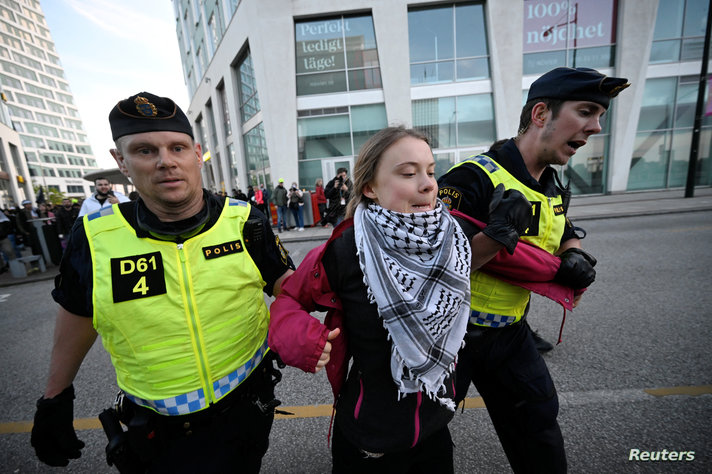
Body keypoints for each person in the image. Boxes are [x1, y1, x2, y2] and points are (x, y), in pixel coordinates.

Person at [30, 91, 295, 473]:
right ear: (120, 161)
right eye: (145, 151)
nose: (166, 162)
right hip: (156, 430)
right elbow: (78, 313)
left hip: (246, 409)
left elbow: (287, 285)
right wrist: (55, 399)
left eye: (177, 148)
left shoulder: (244, 219)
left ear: (197, 153)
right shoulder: (93, 237)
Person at [437, 67, 627, 473]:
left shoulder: (554, 184)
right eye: (587, 111)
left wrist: (574, 253)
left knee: (539, 429)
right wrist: (496, 234)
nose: (595, 127)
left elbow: (563, 230)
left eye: (600, 117)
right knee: (423, 437)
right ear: (541, 114)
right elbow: (433, 267)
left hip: (510, 332)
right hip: (450, 335)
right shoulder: (470, 178)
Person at [269, 127, 472, 473]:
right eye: (409, 173)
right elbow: (287, 302)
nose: (428, 184)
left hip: (435, 428)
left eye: (431, 171)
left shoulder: (454, 237)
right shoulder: (345, 249)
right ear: (370, 188)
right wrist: (302, 339)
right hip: (367, 439)